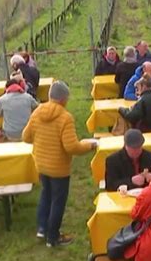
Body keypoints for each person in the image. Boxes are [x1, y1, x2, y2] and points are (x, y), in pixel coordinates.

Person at [22, 81, 97, 247]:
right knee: (57, 201)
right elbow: (71, 147)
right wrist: (90, 145)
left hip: (41, 163)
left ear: (49, 96)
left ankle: (42, 229)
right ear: (64, 99)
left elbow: (26, 136)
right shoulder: (65, 118)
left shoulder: (37, 112)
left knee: (45, 195)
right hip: (58, 167)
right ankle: (53, 237)